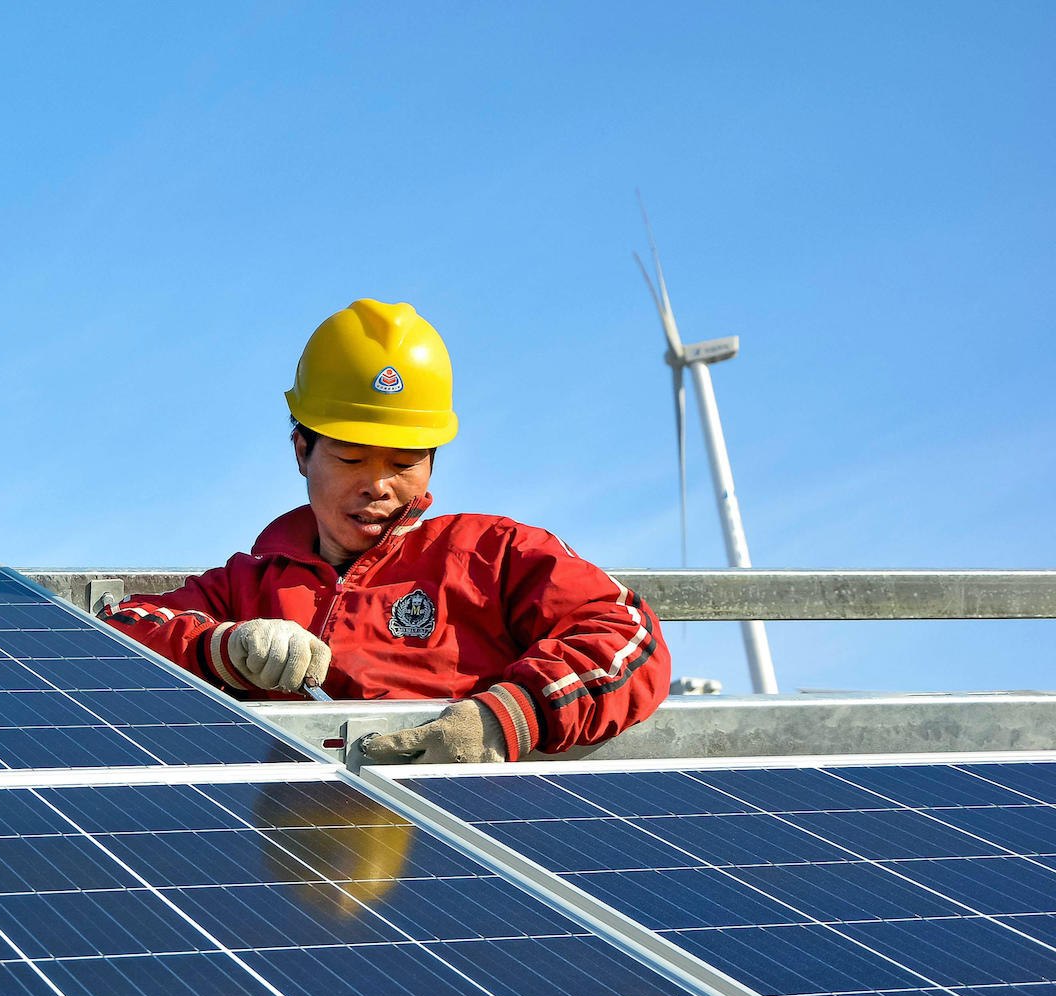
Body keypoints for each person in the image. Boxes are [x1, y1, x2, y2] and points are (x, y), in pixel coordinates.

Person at [101, 299, 669, 764]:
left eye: (402, 463)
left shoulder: (491, 555)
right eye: (351, 458)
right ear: (302, 451)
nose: (378, 486)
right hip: (283, 855)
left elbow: (627, 638)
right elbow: (113, 634)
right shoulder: (248, 586)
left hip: (467, 856)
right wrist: (222, 648)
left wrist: (509, 716)